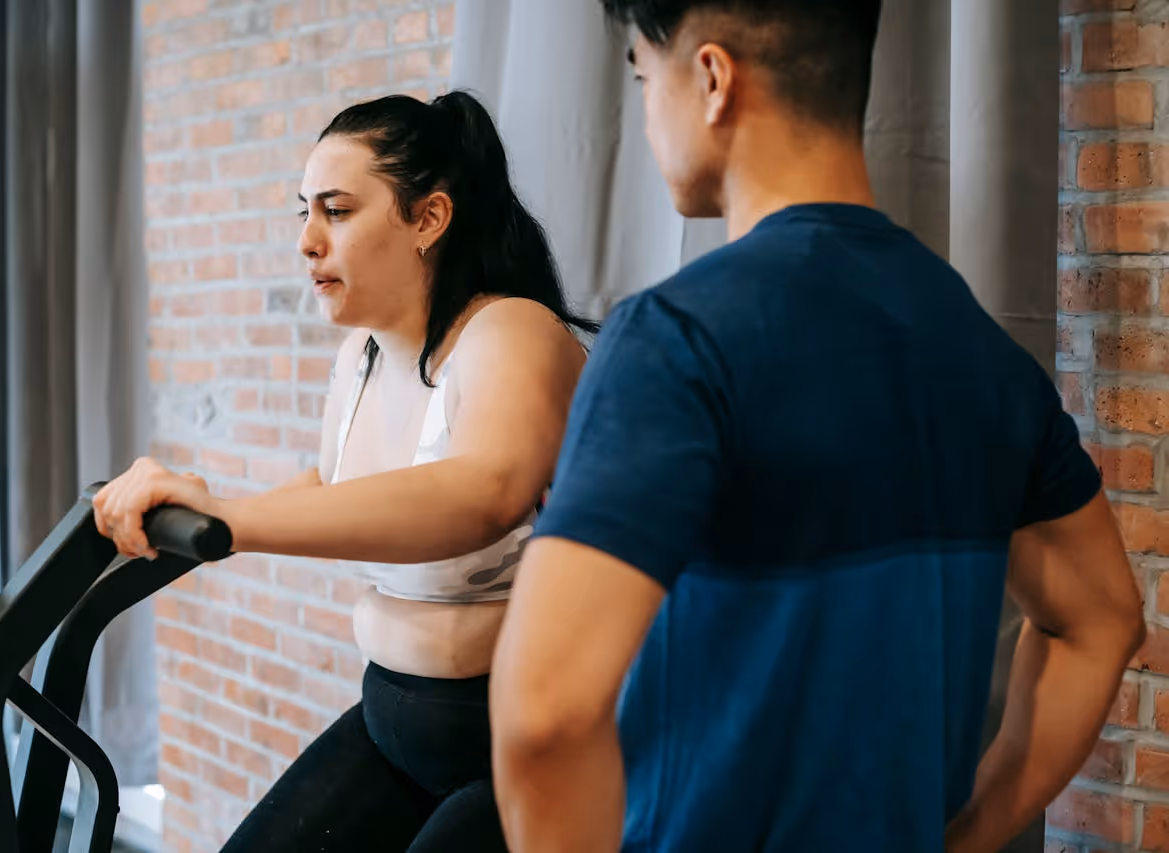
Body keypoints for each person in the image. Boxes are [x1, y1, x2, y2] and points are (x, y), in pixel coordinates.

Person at [488, 2, 1147, 852]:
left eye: (646, 78)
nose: (649, 112)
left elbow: (543, 716)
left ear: (713, 80)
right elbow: (1105, 619)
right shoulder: (978, 348)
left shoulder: (677, 339)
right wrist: (972, 835)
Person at [92, 91, 592, 852]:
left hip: (519, 744)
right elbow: (332, 486)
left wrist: (231, 521)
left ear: (429, 218)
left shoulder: (511, 330)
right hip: (393, 719)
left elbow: (483, 491)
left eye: (337, 210)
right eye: (304, 212)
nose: (307, 240)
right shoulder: (360, 355)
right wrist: (202, 513)